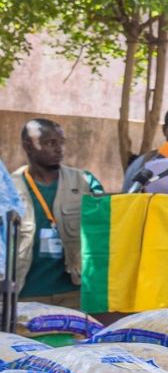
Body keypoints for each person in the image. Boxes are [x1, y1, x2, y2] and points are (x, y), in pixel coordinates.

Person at [12, 119, 104, 307]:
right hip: (26, 294)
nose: (59, 149)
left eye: (61, 142)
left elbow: (105, 224)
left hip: (73, 294)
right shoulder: (9, 188)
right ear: (28, 146)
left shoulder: (83, 182)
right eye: (50, 143)